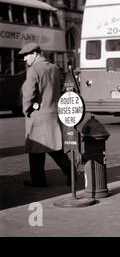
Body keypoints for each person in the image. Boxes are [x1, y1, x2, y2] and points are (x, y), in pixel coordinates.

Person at [19, 43, 71, 187]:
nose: (25, 59)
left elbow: (29, 94)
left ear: (35, 54)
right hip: (53, 114)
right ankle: (71, 171)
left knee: (35, 149)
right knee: (54, 148)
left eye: (26, 55)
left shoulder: (33, 70)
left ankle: (38, 180)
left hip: (38, 116)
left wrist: (27, 110)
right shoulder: (54, 68)